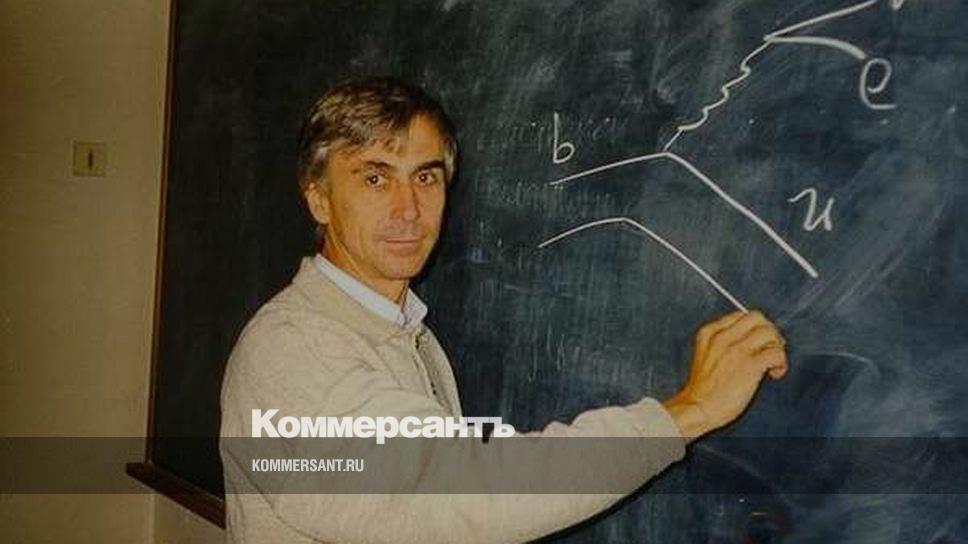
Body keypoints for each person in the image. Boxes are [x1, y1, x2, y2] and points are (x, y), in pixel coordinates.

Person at [219, 76, 788, 543]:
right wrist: (686, 412)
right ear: (319, 198)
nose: (409, 209)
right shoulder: (290, 350)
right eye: (375, 178)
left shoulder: (406, 333)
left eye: (426, 177)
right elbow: (455, 493)